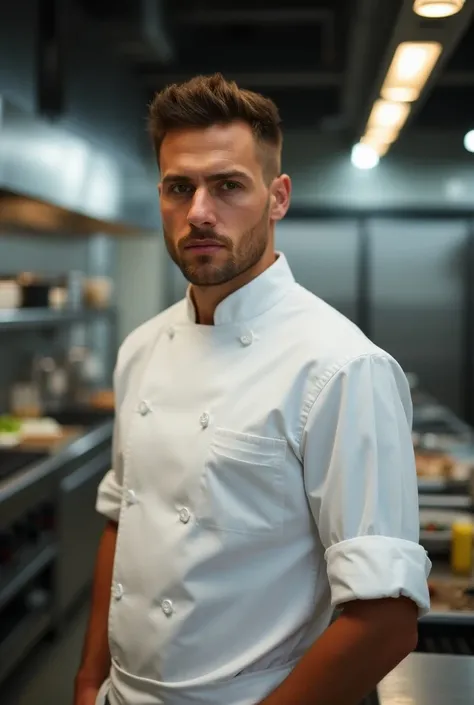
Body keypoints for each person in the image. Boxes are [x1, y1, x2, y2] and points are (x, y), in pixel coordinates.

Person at [74, 73, 431, 705]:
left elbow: (386, 619)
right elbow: (120, 520)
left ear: (277, 196)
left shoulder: (342, 367)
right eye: (178, 188)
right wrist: (86, 680)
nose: (200, 212)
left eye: (228, 185)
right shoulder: (141, 349)